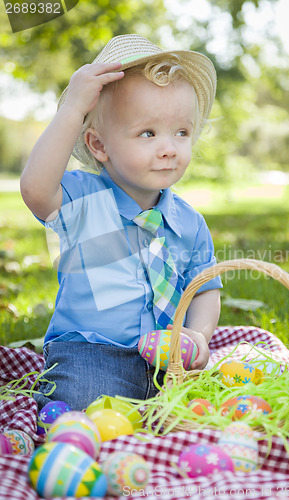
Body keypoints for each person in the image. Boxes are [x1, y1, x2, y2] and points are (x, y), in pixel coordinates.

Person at [20, 34, 222, 411]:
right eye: (148, 133)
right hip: (94, 353)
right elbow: (34, 188)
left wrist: (197, 335)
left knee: (209, 403)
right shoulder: (83, 200)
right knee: (81, 399)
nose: (169, 147)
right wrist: (73, 109)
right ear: (98, 145)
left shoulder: (189, 223)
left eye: (182, 132)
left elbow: (204, 288)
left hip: (167, 360)